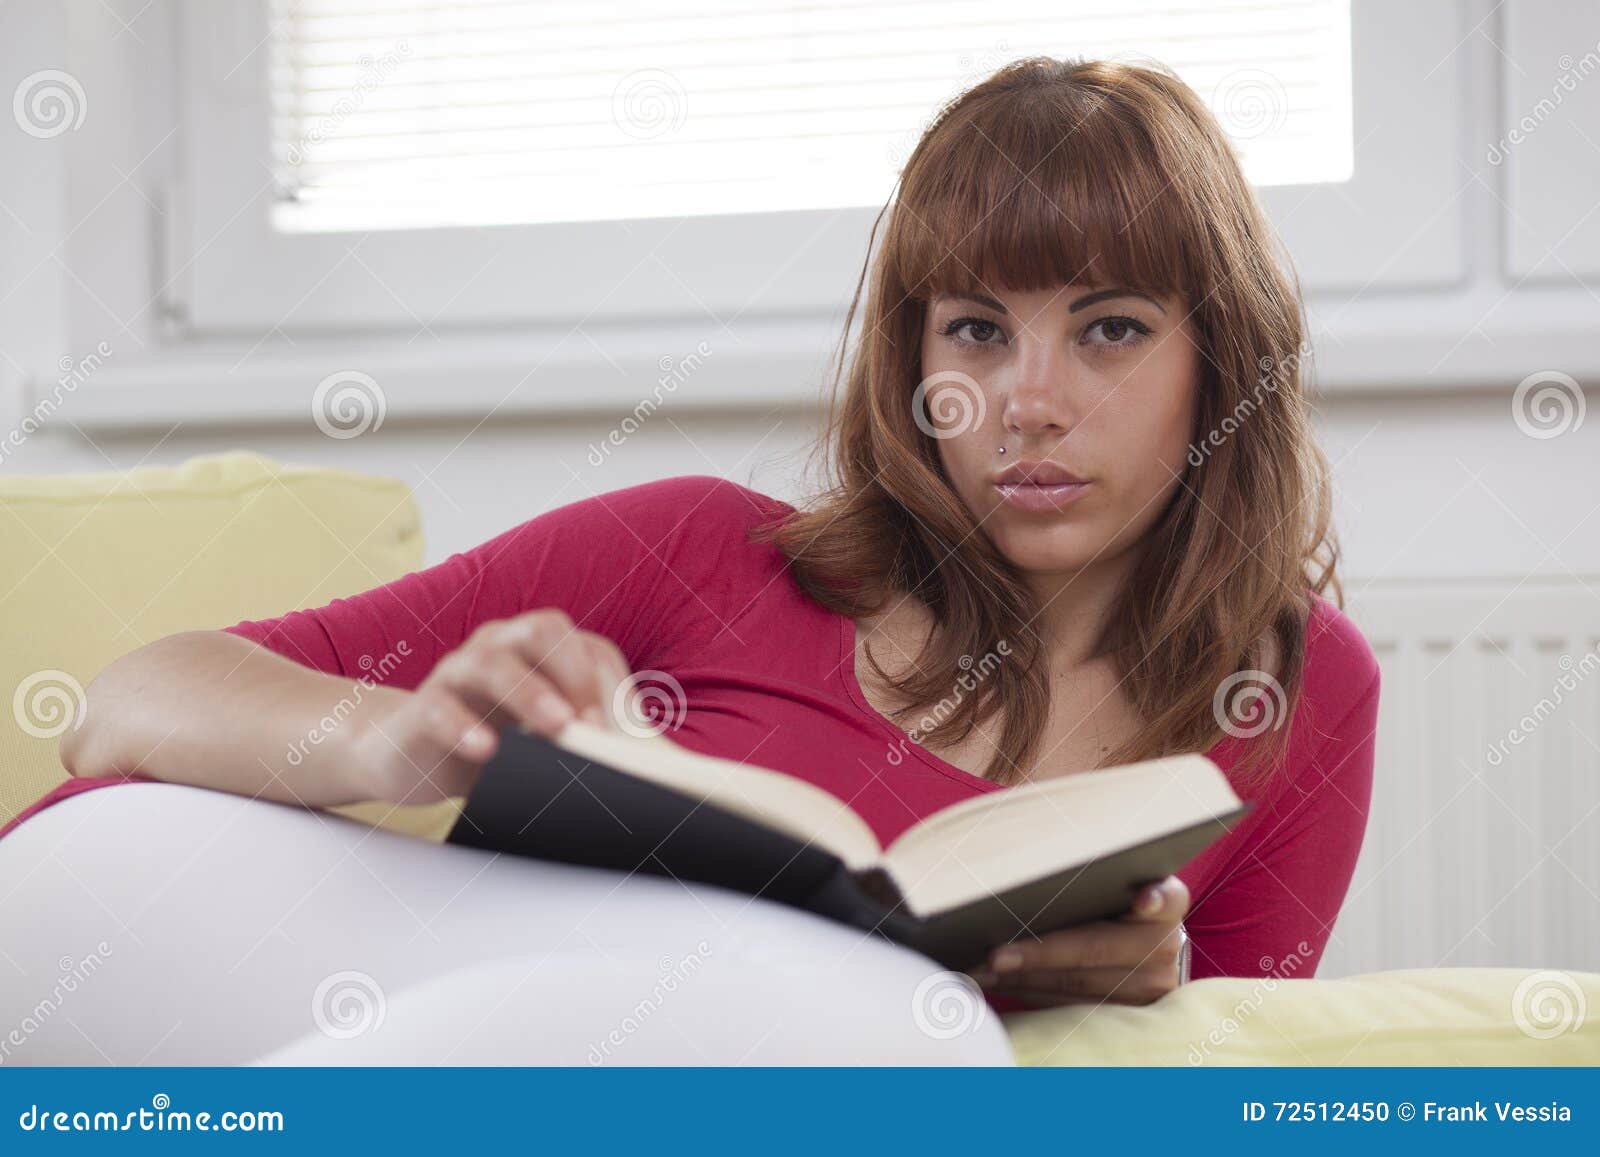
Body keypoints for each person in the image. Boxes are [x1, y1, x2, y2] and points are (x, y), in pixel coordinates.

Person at [23, 57, 1378, 1009]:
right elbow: (125, 705)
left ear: (1224, 357)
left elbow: (1247, 1070)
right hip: (158, 940)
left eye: (1112, 330)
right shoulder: (695, 551)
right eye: (976, 327)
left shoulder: (1303, 687)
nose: (1026, 402)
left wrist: (1155, 995)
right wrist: (397, 742)